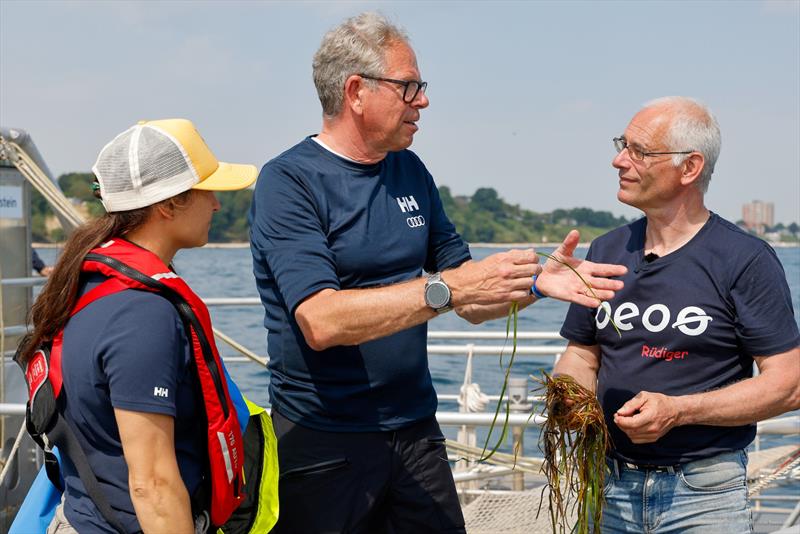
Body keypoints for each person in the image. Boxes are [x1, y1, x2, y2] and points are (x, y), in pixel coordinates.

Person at [249, 12, 627, 533]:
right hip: (323, 440)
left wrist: (537, 283)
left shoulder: (411, 170)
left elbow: (470, 301)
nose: (422, 101)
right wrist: (449, 287)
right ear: (356, 91)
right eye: (409, 87)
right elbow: (321, 321)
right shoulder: (289, 180)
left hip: (416, 433)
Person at [556, 96, 800, 533]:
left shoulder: (745, 259)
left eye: (639, 151)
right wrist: (573, 398)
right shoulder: (605, 251)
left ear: (689, 168)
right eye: (621, 144)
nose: (618, 160)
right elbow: (582, 355)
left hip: (705, 494)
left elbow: (789, 385)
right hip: (607, 485)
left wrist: (678, 411)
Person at [16, 119, 257, 533]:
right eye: (207, 191)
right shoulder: (142, 314)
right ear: (168, 205)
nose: (217, 204)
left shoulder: (90, 283)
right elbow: (153, 484)